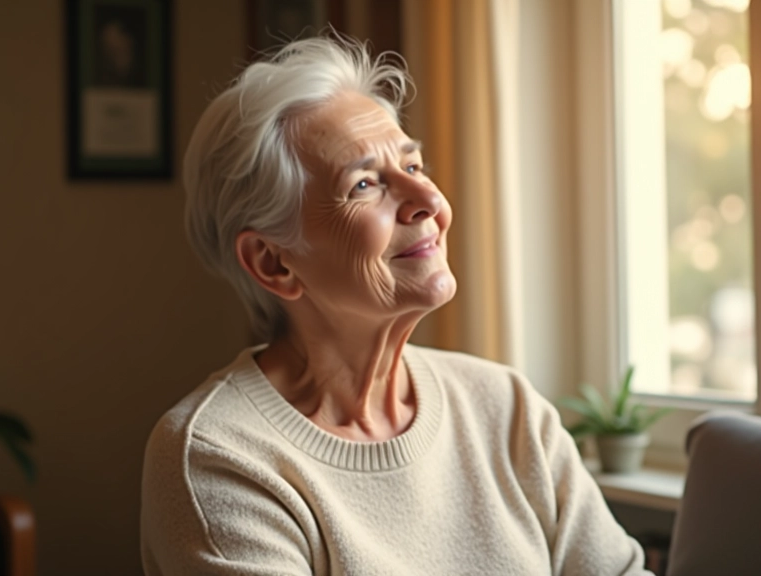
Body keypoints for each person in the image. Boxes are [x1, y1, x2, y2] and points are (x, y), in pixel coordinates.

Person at [140, 35, 651, 575]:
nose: (430, 201)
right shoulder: (220, 455)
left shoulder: (505, 408)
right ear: (273, 263)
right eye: (364, 184)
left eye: (415, 166)